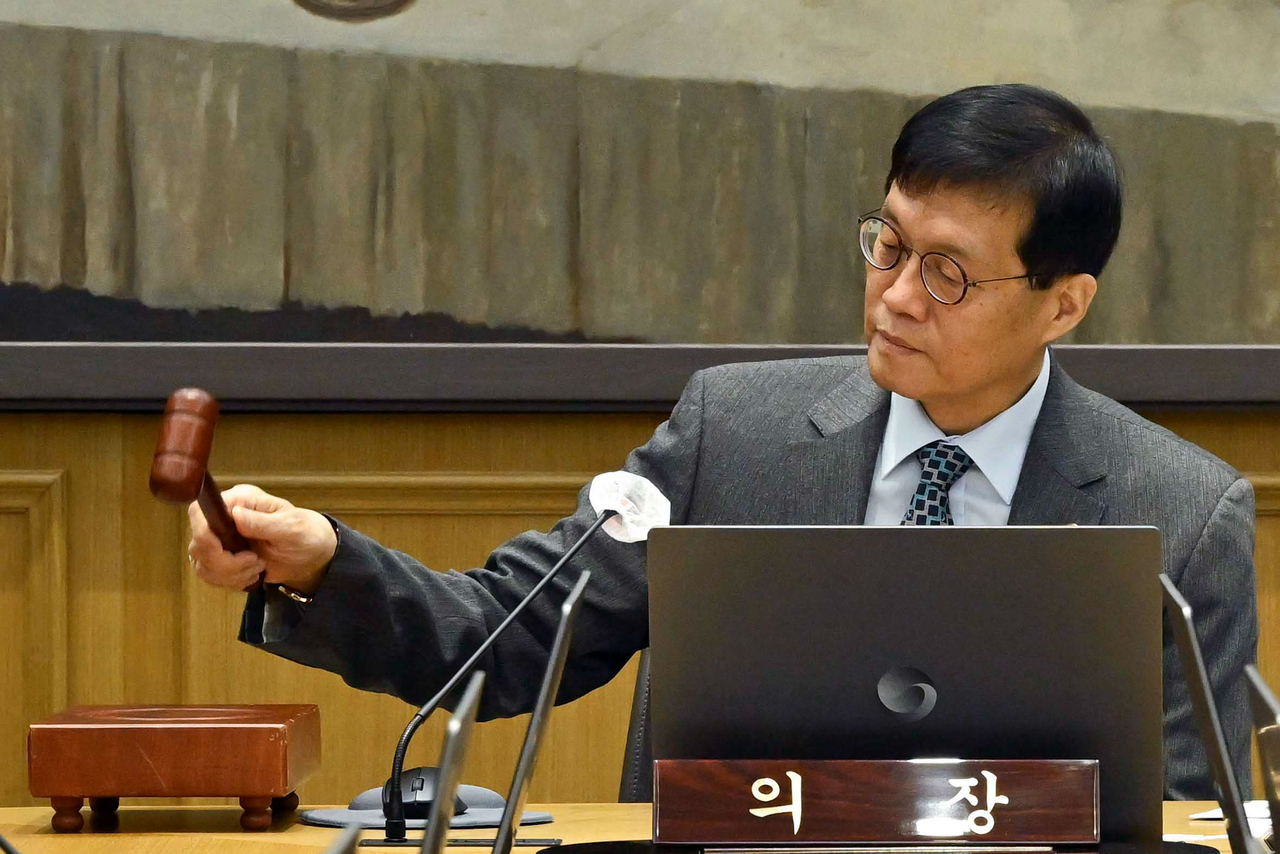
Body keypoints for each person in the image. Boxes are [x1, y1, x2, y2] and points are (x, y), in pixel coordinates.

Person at [187, 83, 1257, 800]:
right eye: (888, 244)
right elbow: (511, 636)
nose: (894, 296)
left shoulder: (1178, 512)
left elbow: (1183, 811)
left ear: (1063, 304)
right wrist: (322, 560)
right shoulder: (732, 434)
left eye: (947, 273)